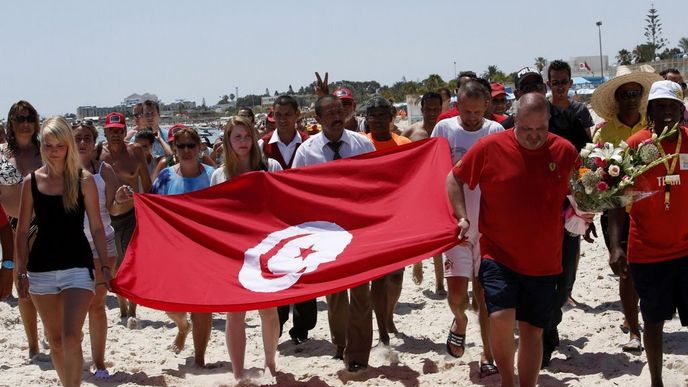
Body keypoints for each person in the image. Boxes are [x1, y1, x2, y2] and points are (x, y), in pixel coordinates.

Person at [448, 94, 583, 387]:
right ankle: (508, 380)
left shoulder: (566, 151)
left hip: (545, 260)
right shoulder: (489, 147)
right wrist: (462, 217)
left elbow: (582, 192)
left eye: (541, 129)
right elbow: (453, 178)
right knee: (500, 317)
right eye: (526, 129)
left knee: (533, 331)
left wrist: (586, 211)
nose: (534, 136)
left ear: (549, 122)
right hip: (498, 253)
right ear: (514, 121)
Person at [500, 67, 591, 367]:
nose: (532, 90)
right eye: (525, 86)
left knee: (564, 283)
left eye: (536, 84)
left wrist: (588, 210)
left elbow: (586, 168)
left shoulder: (569, 118)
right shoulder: (506, 127)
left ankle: (549, 325)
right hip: (525, 224)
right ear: (516, 92)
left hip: (566, 218)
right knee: (532, 284)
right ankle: (544, 336)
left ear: (545, 86)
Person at [14, 116, 112, 387]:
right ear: (42, 147)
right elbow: (21, 231)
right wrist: (18, 269)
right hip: (40, 270)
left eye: (59, 145)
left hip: (78, 266)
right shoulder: (30, 182)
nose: (54, 150)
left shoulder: (84, 180)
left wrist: (105, 265)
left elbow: (97, 227)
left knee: (71, 337)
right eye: (48, 145)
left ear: (68, 145)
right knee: (56, 342)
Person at [609, 80, 688, 387]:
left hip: (686, 249)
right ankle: (656, 381)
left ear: (681, 111)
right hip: (648, 252)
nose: (667, 113)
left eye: (672, 106)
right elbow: (617, 200)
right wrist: (616, 246)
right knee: (653, 321)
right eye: (660, 107)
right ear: (650, 111)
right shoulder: (636, 146)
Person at [293, 95, 375, 372]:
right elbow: (295, 191)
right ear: (318, 119)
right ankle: (340, 344)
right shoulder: (306, 152)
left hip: (360, 228)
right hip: (326, 232)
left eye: (340, 110)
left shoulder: (363, 144)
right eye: (329, 113)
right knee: (336, 293)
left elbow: (378, 182)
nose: (336, 116)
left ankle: (358, 353)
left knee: (361, 293)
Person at [432, 80, 504, 377]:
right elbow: (433, 172)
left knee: (485, 295)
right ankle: (459, 321)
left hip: (488, 226)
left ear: (486, 105)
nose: (472, 116)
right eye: (466, 110)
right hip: (456, 225)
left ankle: (488, 356)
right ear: (457, 106)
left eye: (477, 111)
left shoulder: (495, 131)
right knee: (457, 296)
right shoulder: (444, 130)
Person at [590, 65, 662, 352]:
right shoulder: (604, 132)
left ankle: (644, 319)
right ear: (617, 99)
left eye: (636, 93)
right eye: (625, 94)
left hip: (653, 209)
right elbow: (594, 173)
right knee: (625, 271)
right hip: (617, 211)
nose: (631, 98)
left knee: (650, 271)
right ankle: (633, 330)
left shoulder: (655, 126)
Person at [209, 116, 281, 379]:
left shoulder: (270, 167)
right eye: (237, 137)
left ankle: (270, 362)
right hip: (233, 250)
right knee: (235, 314)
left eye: (247, 136)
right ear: (228, 141)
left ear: (254, 138)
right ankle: (238, 374)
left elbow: (283, 204)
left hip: (267, 247)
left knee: (269, 311)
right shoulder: (220, 175)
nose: (243, 141)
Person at [72, 120, 133, 378]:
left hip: (102, 243)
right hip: (69, 245)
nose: (83, 142)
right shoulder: (57, 172)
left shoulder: (103, 170)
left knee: (96, 305)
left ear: (95, 141)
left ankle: (98, 361)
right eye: (78, 138)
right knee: (73, 307)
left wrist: (119, 201)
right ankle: (74, 354)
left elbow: (113, 210)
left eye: (87, 137)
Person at [150, 127, 215, 367]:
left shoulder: (213, 175)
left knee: (202, 307)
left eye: (191, 145)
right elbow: (153, 209)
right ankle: (182, 326)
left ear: (199, 148)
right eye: (181, 146)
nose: (186, 150)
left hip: (205, 252)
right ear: (174, 150)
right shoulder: (166, 176)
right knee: (168, 305)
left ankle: (199, 359)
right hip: (173, 251)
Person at [254, 96, 314, 344]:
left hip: (305, 217)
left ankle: (302, 327)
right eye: (278, 115)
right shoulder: (262, 145)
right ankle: (276, 326)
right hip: (274, 220)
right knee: (276, 270)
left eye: (288, 114)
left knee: (305, 268)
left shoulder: (310, 144)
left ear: (297, 115)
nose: (283, 119)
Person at [362, 96, 408, 346]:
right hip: (370, 221)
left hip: (398, 220)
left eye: (383, 115)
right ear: (367, 119)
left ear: (391, 118)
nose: (378, 120)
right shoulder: (360, 144)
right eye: (374, 115)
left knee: (396, 278)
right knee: (378, 278)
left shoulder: (404, 144)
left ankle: (388, 316)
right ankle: (381, 329)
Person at [98, 112, 152, 328]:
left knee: (131, 262)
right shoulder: (98, 156)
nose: (116, 135)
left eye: (119, 130)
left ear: (124, 130)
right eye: (111, 131)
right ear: (105, 132)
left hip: (131, 215)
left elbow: (147, 186)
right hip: (107, 217)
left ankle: (131, 309)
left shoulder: (136, 152)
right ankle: (121, 307)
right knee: (114, 265)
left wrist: (150, 214)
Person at [0, 101, 44, 359]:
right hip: (13, 224)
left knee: (47, 284)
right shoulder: (1, 153)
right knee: (23, 286)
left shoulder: (47, 151)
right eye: (19, 118)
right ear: (11, 122)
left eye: (29, 118)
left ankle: (51, 333)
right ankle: (33, 344)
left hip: (46, 222)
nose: (25, 123)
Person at [547, 60, 594, 137]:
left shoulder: (581, 110)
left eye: (564, 82)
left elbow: (587, 144)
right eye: (555, 83)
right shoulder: (543, 111)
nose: (560, 86)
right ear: (549, 84)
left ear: (570, 83)